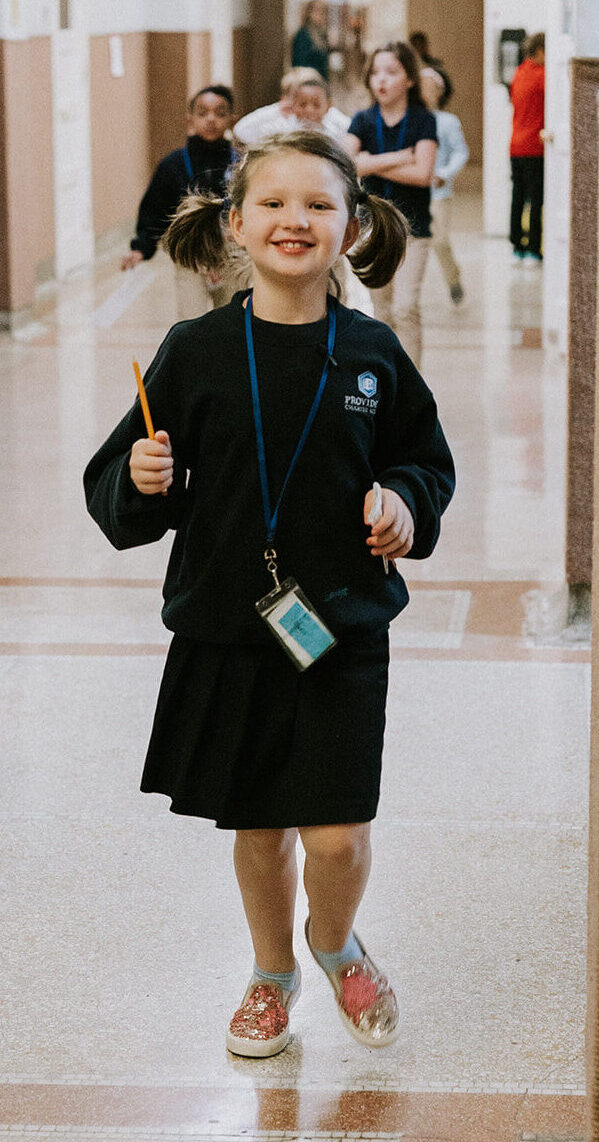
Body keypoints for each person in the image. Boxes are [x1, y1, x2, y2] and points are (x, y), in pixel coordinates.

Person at [84, 130, 455, 1059]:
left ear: (353, 226)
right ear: (238, 223)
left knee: (333, 834)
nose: (297, 219)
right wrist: (143, 473)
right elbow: (119, 494)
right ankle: (271, 973)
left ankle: (334, 944)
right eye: (276, 203)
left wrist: (405, 503)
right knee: (258, 823)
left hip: (341, 623)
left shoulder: (373, 353)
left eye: (321, 204)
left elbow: (425, 461)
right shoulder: (196, 351)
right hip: (232, 625)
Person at [345, 41, 438, 368]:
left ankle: (412, 385)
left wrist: (370, 161)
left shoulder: (423, 120)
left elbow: (423, 174)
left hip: (414, 229)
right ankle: (388, 380)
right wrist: (399, 157)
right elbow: (347, 164)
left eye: (391, 72)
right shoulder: (363, 120)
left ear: (409, 79)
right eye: (375, 73)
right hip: (373, 228)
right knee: (382, 310)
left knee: (405, 307)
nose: (381, 80)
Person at [121, 85, 237, 319]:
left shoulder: (242, 163)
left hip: (231, 255)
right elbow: (154, 209)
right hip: (190, 253)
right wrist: (141, 247)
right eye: (203, 113)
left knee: (231, 319)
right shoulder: (172, 165)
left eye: (220, 113)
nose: (211, 119)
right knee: (190, 319)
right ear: (190, 120)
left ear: (232, 119)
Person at [419, 67, 469, 304]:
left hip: (438, 193)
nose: (425, 91)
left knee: (439, 240)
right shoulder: (408, 120)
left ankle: (453, 280)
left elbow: (460, 152)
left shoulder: (448, 122)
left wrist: (444, 173)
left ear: (440, 91)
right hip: (411, 191)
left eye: (430, 86)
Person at [233, 68, 348, 147]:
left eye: (316, 103)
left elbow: (351, 129)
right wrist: (275, 109)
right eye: (302, 103)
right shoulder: (282, 127)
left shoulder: (332, 124)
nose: (309, 109)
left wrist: (327, 110)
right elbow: (241, 130)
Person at [509, 32, 545, 264]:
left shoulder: (519, 73)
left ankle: (517, 246)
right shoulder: (543, 76)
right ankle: (533, 248)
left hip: (515, 145)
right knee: (535, 199)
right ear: (541, 51)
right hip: (534, 146)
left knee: (518, 197)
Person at [409, 31, 454, 106]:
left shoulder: (436, 66)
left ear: (425, 46)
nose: (418, 48)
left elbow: (447, 89)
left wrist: (439, 104)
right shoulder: (407, 67)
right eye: (415, 45)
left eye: (420, 45)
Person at [291, 1, 330, 81]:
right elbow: (299, 62)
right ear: (309, 13)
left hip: (321, 81)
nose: (321, 15)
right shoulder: (302, 34)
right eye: (317, 10)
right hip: (306, 80)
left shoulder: (322, 34)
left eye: (323, 11)